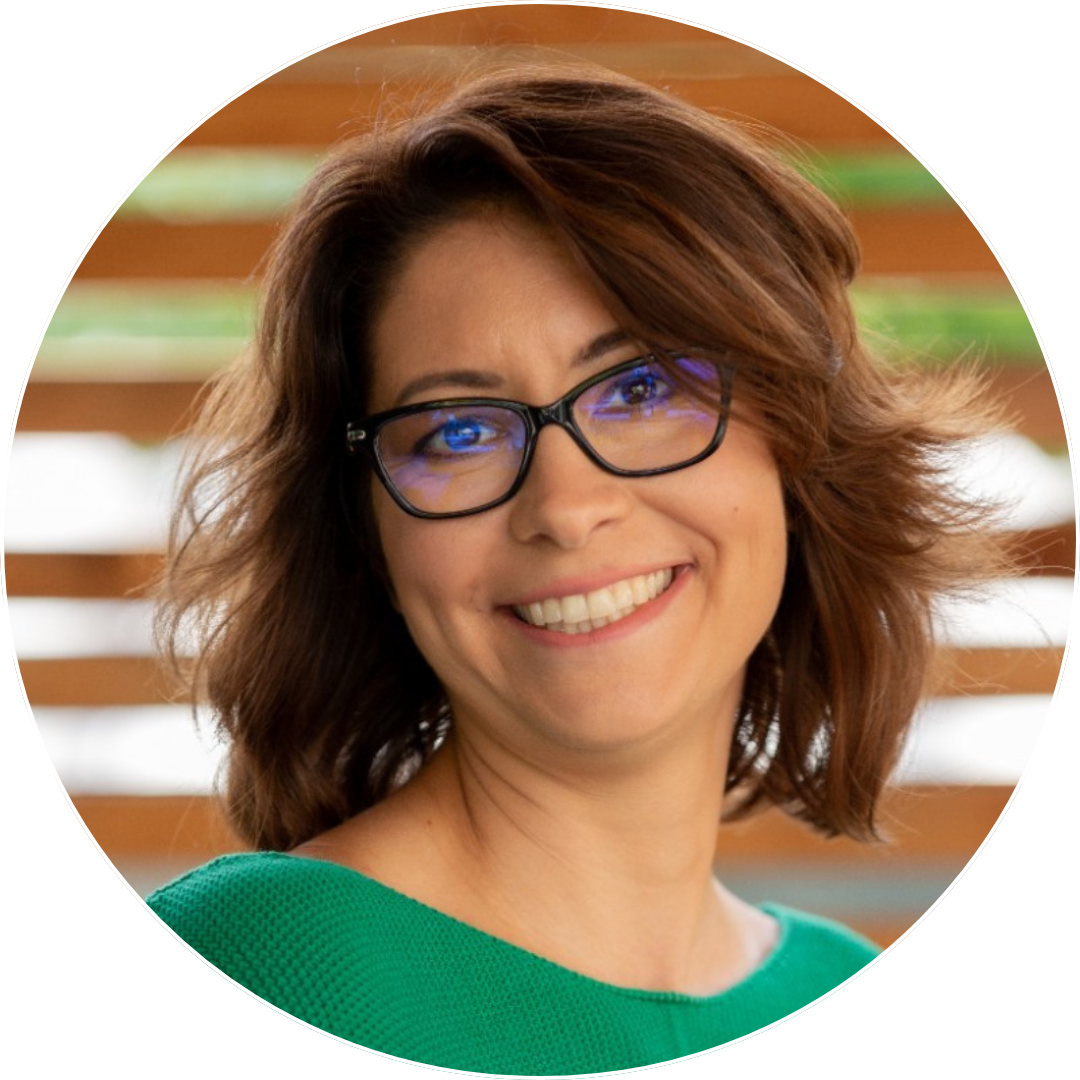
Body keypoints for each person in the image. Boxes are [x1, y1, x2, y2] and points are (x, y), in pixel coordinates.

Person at [147, 63, 1000, 1074]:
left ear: (800, 442)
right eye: (457, 429)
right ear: (367, 530)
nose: (564, 506)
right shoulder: (249, 968)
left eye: (641, 388)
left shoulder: (863, 1000)